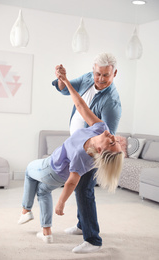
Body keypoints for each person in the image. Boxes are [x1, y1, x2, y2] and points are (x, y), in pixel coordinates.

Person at [18, 68, 124, 253]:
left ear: (100, 150)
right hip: (56, 168)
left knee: (29, 170)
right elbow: (81, 106)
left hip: (52, 168)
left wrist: (61, 202)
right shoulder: (100, 128)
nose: (113, 136)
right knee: (42, 192)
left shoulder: (83, 156)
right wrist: (66, 82)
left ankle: (26, 210)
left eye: (112, 142)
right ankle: (46, 231)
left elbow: (72, 182)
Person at [52, 53, 122, 253]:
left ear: (114, 74)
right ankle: (82, 225)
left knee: (84, 190)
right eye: (98, 73)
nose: (100, 78)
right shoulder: (88, 78)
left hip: (92, 152)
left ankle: (93, 239)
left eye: (105, 75)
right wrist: (62, 79)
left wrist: (60, 204)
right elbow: (76, 101)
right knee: (80, 189)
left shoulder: (111, 105)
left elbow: (109, 141)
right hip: (82, 144)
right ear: (93, 70)